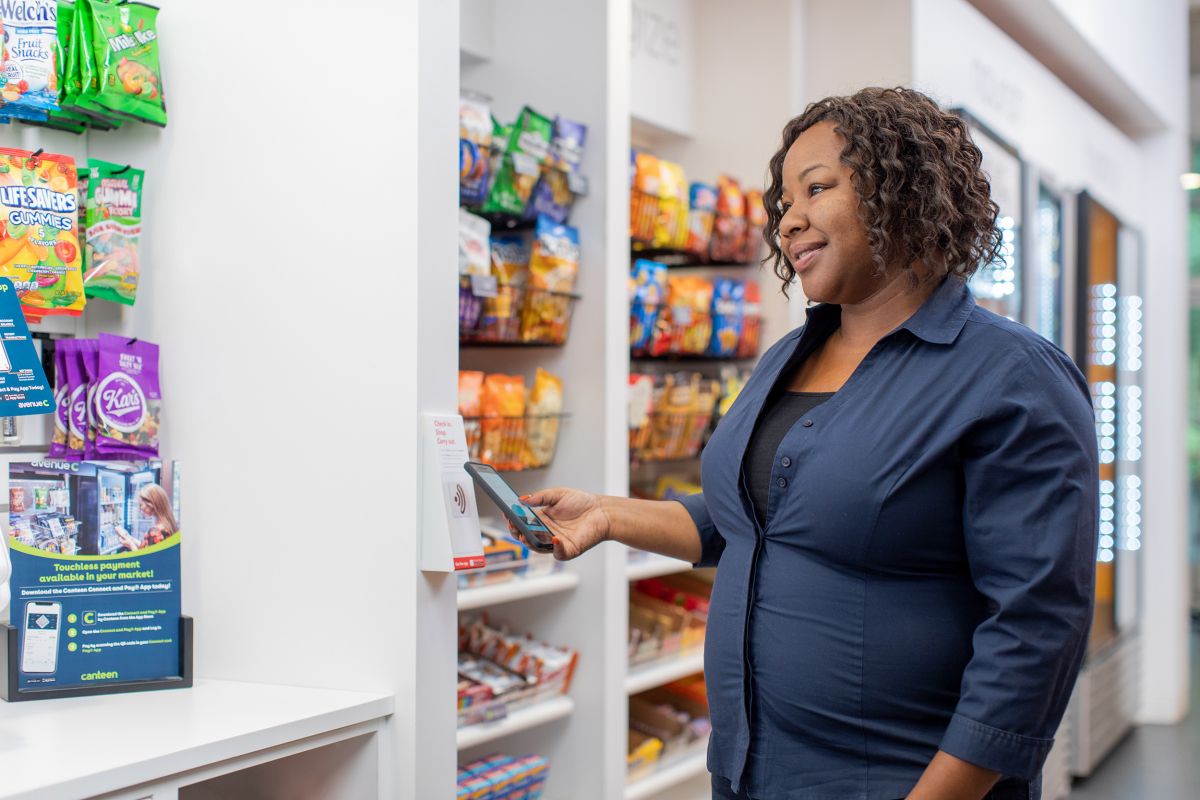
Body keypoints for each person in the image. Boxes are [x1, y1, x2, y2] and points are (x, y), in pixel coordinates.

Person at [514, 89, 1097, 800]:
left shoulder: (1012, 375)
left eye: (817, 189)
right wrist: (607, 515)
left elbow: (1037, 627)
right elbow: (755, 523)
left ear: (903, 193)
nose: (788, 219)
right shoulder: (787, 357)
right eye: (783, 201)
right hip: (749, 773)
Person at [117, 484, 178, 551]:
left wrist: (131, 544)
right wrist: (130, 538)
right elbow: (148, 547)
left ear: (150, 504)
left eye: (141, 505)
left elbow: (144, 557)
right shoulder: (168, 525)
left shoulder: (155, 532)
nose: (140, 509)